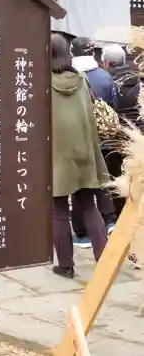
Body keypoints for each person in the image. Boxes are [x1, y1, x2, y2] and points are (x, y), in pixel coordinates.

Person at [51, 34, 108, 279]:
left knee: (58, 210)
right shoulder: (82, 80)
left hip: (56, 155)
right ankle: (104, 262)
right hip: (84, 151)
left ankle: (66, 265)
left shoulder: (41, 83)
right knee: (88, 205)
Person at [70, 37, 118, 247]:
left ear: (72, 53)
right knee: (102, 181)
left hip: (73, 140)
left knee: (78, 186)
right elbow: (113, 107)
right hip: (101, 139)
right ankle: (109, 221)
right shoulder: (105, 78)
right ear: (93, 53)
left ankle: (82, 234)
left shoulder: (64, 76)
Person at [101, 44, 142, 218]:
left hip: (115, 141)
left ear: (108, 63)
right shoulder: (139, 81)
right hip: (138, 140)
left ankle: (119, 217)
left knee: (116, 180)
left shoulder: (106, 83)